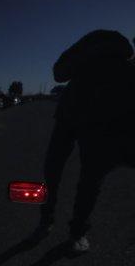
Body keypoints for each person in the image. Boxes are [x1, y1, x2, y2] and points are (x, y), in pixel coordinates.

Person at [40, 30, 135, 253]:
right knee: (66, 172)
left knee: (84, 177)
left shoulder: (126, 68)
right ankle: (58, 222)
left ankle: (68, 227)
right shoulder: (113, 50)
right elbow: (60, 72)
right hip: (78, 117)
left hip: (92, 124)